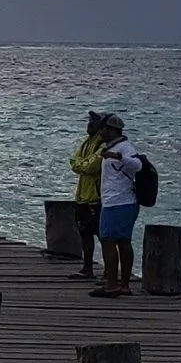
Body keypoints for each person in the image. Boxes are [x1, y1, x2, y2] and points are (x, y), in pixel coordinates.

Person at [94, 114, 146, 296]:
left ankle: (113, 284)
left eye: (103, 129)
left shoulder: (125, 148)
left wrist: (118, 156)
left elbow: (137, 165)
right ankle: (122, 284)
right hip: (114, 201)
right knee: (122, 242)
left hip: (121, 201)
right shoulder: (111, 147)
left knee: (109, 240)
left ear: (112, 130)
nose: (100, 132)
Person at [67, 111, 108, 281]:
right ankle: (87, 268)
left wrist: (81, 165)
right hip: (83, 195)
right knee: (84, 232)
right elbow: (74, 161)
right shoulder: (86, 143)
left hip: (98, 197)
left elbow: (91, 167)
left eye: (93, 123)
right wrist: (81, 164)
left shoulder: (104, 145)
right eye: (89, 122)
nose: (89, 125)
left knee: (103, 235)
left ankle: (109, 271)